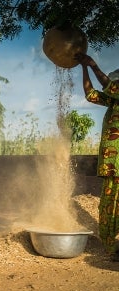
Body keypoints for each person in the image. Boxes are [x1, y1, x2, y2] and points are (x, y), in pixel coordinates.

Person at [75, 52, 119, 262]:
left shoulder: (116, 91)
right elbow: (90, 94)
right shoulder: (113, 103)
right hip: (112, 165)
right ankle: (111, 248)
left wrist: (92, 64)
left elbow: (108, 84)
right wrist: (83, 68)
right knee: (109, 204)